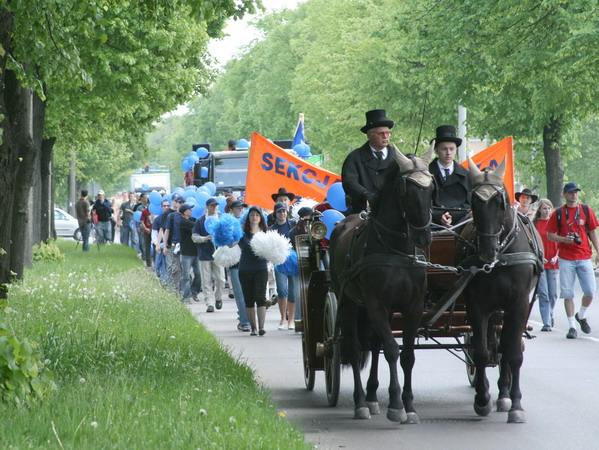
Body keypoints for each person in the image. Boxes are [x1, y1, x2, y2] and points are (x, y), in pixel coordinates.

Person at [547, 182, 599, 339]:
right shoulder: (558, 213)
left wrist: (598, 251)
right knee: (567, 292)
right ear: (564, 194)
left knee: (590, 291)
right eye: (570, 192)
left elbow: (592, 232)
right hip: (566, 258)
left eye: (576, 192)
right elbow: (550, 234)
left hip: (584, 256)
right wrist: (564, 239)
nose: (574, 195)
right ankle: (571, 327)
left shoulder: (585, 210)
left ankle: (581, 315)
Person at [342, 109, 395, 215]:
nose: (385, 136)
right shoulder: (354, 157)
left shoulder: (398, 157)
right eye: (380, 133)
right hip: (362, 212)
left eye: (388, 133)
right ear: (369, 135)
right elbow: (349, 182)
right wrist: (367, 195)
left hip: (393, 212)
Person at [231, 206, 269, 336]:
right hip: (245, 269)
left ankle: (262, 327)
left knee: (261, 298)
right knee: (249, 299)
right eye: (252, 215)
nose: (254, 217)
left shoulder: (265, 232)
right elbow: (230, 244)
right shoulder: (242, 233)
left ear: (260, 218)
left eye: (257, 215)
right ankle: (253, 328)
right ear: (248, 217)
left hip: (261, 268)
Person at [428, 125, 470, 227]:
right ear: (436, 149)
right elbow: (420, 202)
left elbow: (469, 203)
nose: (448, 153)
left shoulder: (466, 175)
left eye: (452, 149)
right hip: (431, 226)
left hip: (461, 226)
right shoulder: (426, 173)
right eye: (444, 149)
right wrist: (439, 216)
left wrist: (452, 216)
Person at [192, 197, 225, 313]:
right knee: (206, 280)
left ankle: (218, 297)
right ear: (207, 207)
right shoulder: (200, 221)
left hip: (218, 254)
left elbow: (226, 234)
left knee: (221, 279)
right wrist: (204, 238)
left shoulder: (220, 219)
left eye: (216, 205)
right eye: (212, 205)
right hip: (204, 254)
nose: (214, 207)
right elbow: (194, 237)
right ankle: (209, 303)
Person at [269, 202, 298, 330]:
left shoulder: (293, 225)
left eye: (284, 211)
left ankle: (291, 320)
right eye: (279, 212)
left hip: (293, 262)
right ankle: (282, 319)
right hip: (280, 262)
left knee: (292, 292)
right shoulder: (271, 229)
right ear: (275, 214)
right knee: (281, 289)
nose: (282, 214)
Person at [533, 199, 559, 331]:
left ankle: (550, 313)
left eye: (549, 208)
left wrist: (557, 256)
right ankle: (546, 323)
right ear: (539, 210)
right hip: (541, 263)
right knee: (543, 293)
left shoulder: (555, 223)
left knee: (553, 294)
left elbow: (561, 242)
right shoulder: (535, 224)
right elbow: (532, 243)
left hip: (553, 262)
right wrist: (539, 257)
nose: (547, 210)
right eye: (544, 208)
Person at [228, 200, 251, 331]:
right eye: (237, 208)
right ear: (232, 209)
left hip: (249, 262)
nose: (240, 210)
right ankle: (245, 321)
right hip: (234, 262)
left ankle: (243, 317)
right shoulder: (228, 223)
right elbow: (226, 242)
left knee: (248, 293)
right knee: (240, 293)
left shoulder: (248, 223)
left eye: (242, 208)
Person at [288, 206, 312, 322]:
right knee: (298, 294)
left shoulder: (316, 230)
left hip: (313, 264)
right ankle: (299, 319)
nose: (308, 222)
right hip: (298, 265)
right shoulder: (293, 232)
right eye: (306, 219)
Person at [163, 195, 185, 296]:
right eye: (180, 203)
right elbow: (166, 231)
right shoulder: (171, 216)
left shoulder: (188, 216)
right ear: (176, 203)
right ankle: (176, 291)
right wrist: (164, 246)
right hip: (174, 245)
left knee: (187, 269)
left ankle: (186, 291)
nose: (181, 205)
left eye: (183, 203)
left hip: (186, 246)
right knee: (176, 268)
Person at [178, 204, 201, 304]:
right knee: (186, 276)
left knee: (199, 274)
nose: (191, 211)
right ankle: (185, 297)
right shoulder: (182, 221)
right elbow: (196, 225)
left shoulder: (193, 219)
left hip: (196, 251)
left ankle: (194, 292)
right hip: (186, 252)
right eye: (189, 209)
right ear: (184, 212)